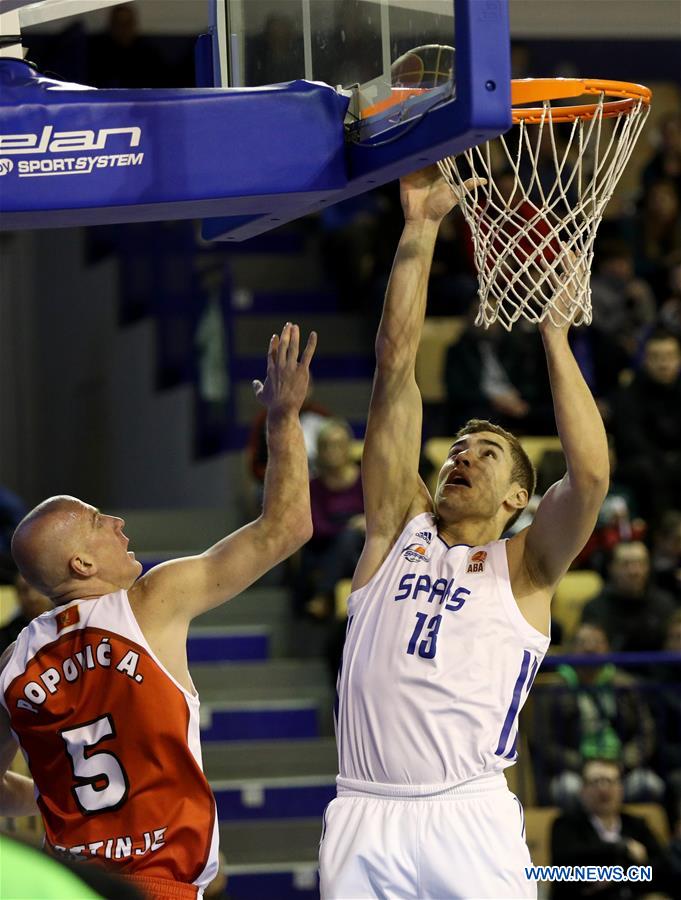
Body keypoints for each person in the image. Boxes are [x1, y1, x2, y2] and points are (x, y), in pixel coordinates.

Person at [318, 166, 610, 899]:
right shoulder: (394, 528)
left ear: (520, 493)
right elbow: (394, 367)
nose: (461, 457)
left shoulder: (528, 565)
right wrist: (418, 230)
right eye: (455, 449)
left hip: (466, 811)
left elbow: (591, 478)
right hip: (362, 808)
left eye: (486, 453)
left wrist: (553, 333)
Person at [0, 324, 316, 900]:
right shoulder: (150, 601)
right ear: (80, 563)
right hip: (161, 886)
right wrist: (282, 417)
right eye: (100, 522)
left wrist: (48, 796)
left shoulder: (11, 665)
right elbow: (287, 528)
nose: (118, 524)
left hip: (69, 887)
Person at [533, 622, 663, 808]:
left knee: (649, 785)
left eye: (597, 642)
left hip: (622, 768)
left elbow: (646, 731)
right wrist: (582, 764)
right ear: (570, 648)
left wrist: (623, 762)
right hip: (576, 771)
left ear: (608, 648)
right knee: (567, 789)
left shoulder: (625, 685)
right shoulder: (554, 689)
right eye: (583, 642)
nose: (590, 648)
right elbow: (544, 739)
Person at [550, 757, 665, 899]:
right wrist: (622, 848)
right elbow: (567, 869)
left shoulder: (636, 824)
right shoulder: (564, 825)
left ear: (621, 789)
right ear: (582, 790)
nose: (603, 789)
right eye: (595, 782)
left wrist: (615, 878)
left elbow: (662, 868)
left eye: (610, 781)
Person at [581, 541, 676, 653]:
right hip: (612, 668)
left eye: (640, 563)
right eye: (625, 564)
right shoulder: (595, 608)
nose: (634, 571)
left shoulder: (664, 605)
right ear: (611, 568)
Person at [0, 574, 52, 654]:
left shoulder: (66, 624)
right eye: (24, 590)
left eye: (37, 588)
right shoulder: (5, 637)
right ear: (17, 595)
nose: (32, 597)